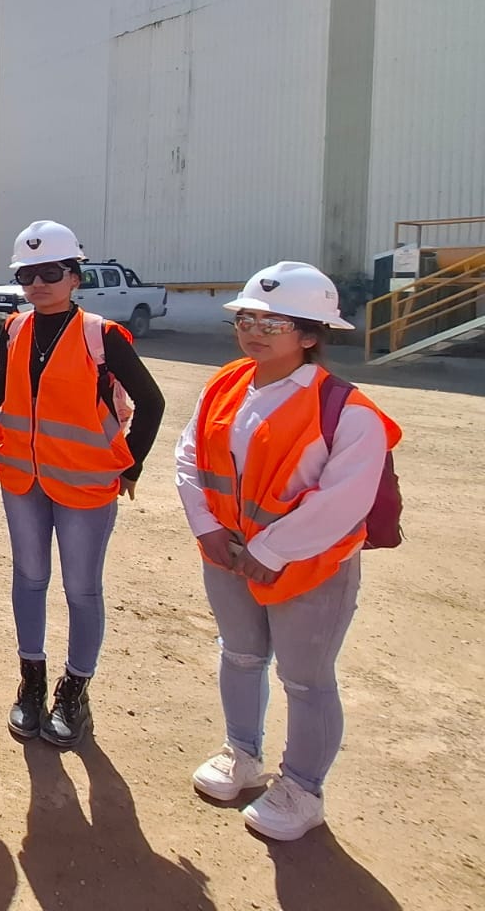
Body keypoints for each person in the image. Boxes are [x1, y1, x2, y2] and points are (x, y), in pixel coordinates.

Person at [175, 262, 399, 842]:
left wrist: (271, 549)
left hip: (309, 567)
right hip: (226, 555)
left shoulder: (347, 411)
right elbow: (189, 457)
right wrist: (205, 527)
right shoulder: (224, 384)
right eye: (246, 317)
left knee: (306, 680)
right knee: (241, 656)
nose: (253, 330)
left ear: (309, 336)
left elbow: (344, 499)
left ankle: (302, 788)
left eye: (272, 322)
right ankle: (241, 754)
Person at [0, 219, 165, 750]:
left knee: (81, 589)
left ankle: (75, 690)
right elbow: (5, 394)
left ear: (74, 276)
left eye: (49, 272)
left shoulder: (102, 336)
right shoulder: (14, 329)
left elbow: (152, 402)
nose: (36, 283)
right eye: (27, 274)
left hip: (86, 483)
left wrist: (129, 466)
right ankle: (33, 680)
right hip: (23, 477)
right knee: (30, 578)